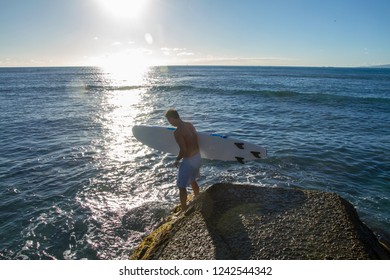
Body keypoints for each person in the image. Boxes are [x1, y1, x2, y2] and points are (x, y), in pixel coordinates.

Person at [165, 109, 201, 212]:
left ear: (172, 118)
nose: (169, 123)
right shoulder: (190, 125)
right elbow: (196, 141)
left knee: (181, 186)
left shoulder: (177, 132)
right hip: (197, 157)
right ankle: (198, 198)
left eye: (169, 120)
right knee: (192, 179)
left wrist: (177, 160)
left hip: (189, 160)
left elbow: (184, 150)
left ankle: (184, 210)